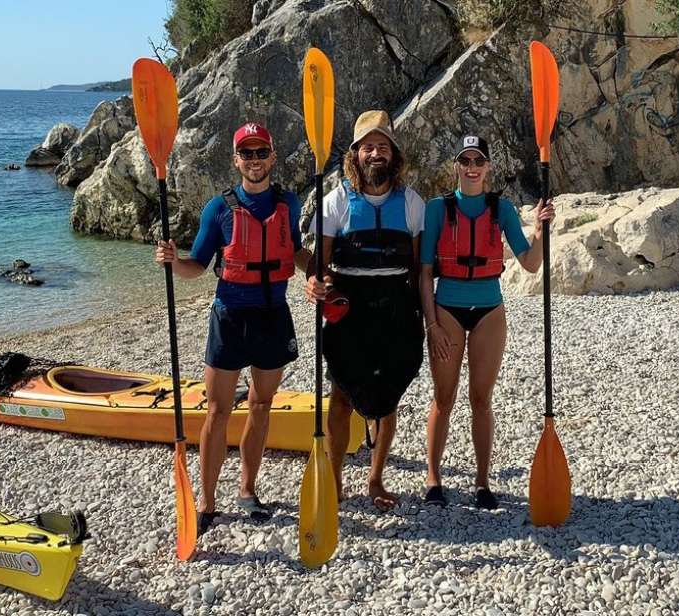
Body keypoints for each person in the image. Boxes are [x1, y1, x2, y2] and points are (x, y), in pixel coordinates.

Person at [155, 121, 312, 534]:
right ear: (236, 159)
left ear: (272, 157)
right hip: (229, 316)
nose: (255, 160)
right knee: (218, 410)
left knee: (262, 405)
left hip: (273, 315)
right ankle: (207, 501)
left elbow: (294, 250)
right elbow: (195, 267)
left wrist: (320, 269)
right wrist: (173, 260)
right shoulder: (218, 209)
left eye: (262, 152)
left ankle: (247, 489)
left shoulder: (289, 203)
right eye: (248, 153)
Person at [418, 135, 554, 509]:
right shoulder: (437, 209)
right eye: (466, 160)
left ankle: (482, 483)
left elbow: (530, 263)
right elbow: (425, 272)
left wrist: (541, 232)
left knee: (481, 398)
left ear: (489, 166)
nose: (472, 166)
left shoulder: (502, 208)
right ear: (457, 166)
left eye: (479, 160)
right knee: (443, 398)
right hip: (446, 310)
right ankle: (433, 479)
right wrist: (432, 325)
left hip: (489, 311)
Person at [305, 110, 426, 511]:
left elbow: (420, 267)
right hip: (350, 307)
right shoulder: (336, 201)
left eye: (383, 146)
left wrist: (430, 320)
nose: (376, 153)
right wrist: (315, 284)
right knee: (340, 396)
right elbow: (318, 264)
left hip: (395, 304)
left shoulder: (411, 203)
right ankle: (336, 479)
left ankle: (375, 479)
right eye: (368, 147)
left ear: (394, 155)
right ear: (355, 155)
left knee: (388, 399)